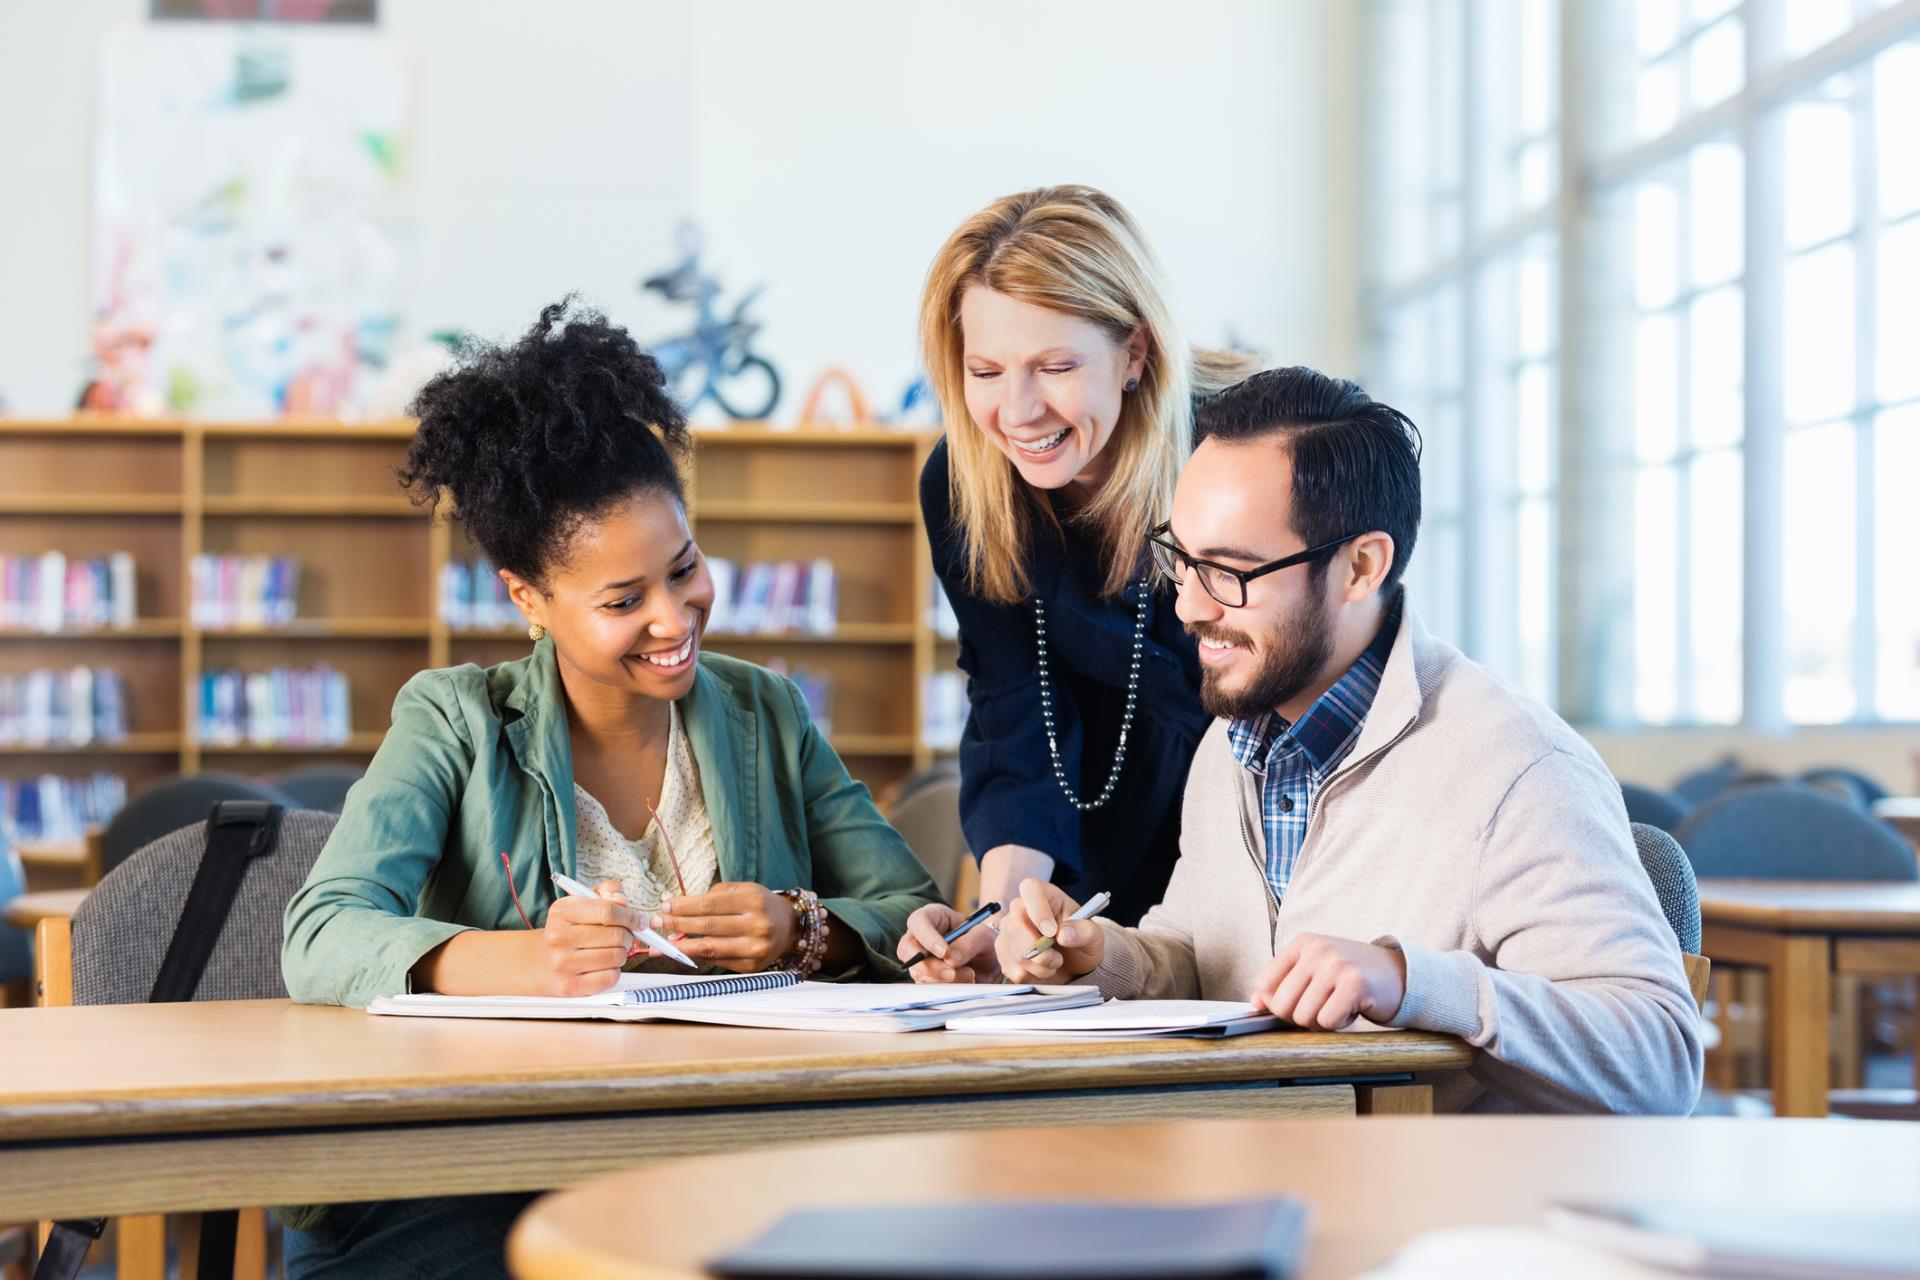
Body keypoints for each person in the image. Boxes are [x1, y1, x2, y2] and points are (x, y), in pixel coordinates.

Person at [278, 299, 943, 1275]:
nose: (674, 618)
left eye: (684, 569)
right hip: (478, 1168)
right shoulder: (454, 719)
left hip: (723, 1149)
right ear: (528, 598)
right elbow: (321, 930)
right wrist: (521, 963)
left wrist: (802, 926)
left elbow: (913, 910)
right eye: (623, 600)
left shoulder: (766, 712)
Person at [984, 367, 1703, 1115]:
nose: (1190, 606)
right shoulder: (1229, 742)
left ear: (1361, 567)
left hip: (1427, 1210)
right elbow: (1206, 962)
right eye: (1181, 559)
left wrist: (1409, 982)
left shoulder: (1518, 768)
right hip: (1247, 1176)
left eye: (1228, 571)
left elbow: (1658, 1058)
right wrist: (1102, 955)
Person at [901, 185, 1258, 981]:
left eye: (1056, 366)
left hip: (1269, 825)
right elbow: (1014, 710)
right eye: (985, 371)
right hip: (1101, 828)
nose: (1017, 411)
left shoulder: (1244, 450)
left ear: (1134, 352)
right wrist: (1001, 920)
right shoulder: (963, 484)